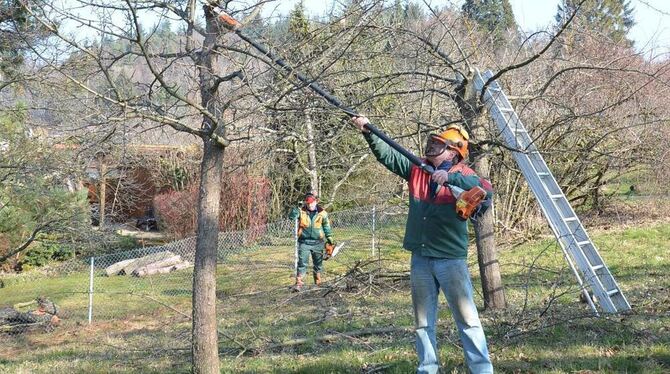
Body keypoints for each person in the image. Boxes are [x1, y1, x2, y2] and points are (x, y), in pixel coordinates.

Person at [351, 116, 494, 374]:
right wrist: (368, 132)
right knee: (423, 322)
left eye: (439, 144)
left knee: (468, 321)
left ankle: (482, 370)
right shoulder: (418, 168)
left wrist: (451, 180)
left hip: (450, 259)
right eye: (433, 142)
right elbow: (389, 156)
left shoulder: (464, 174)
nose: (432, 147)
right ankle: (427, 369)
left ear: (454, 151)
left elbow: (485, 189)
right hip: (421, 259)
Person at [289, 192, 334, 291]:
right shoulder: (301, 211)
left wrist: (329, 236)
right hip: (304, 242)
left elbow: (326, 226)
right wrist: (296, 208)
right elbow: (291, 217)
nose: (310, 205)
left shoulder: (322, 213)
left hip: (318, 242)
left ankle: (318, 283)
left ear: (316, 201)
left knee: (318, 263)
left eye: (311, 203)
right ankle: (299, 283)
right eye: (308, 203)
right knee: (302, 263)